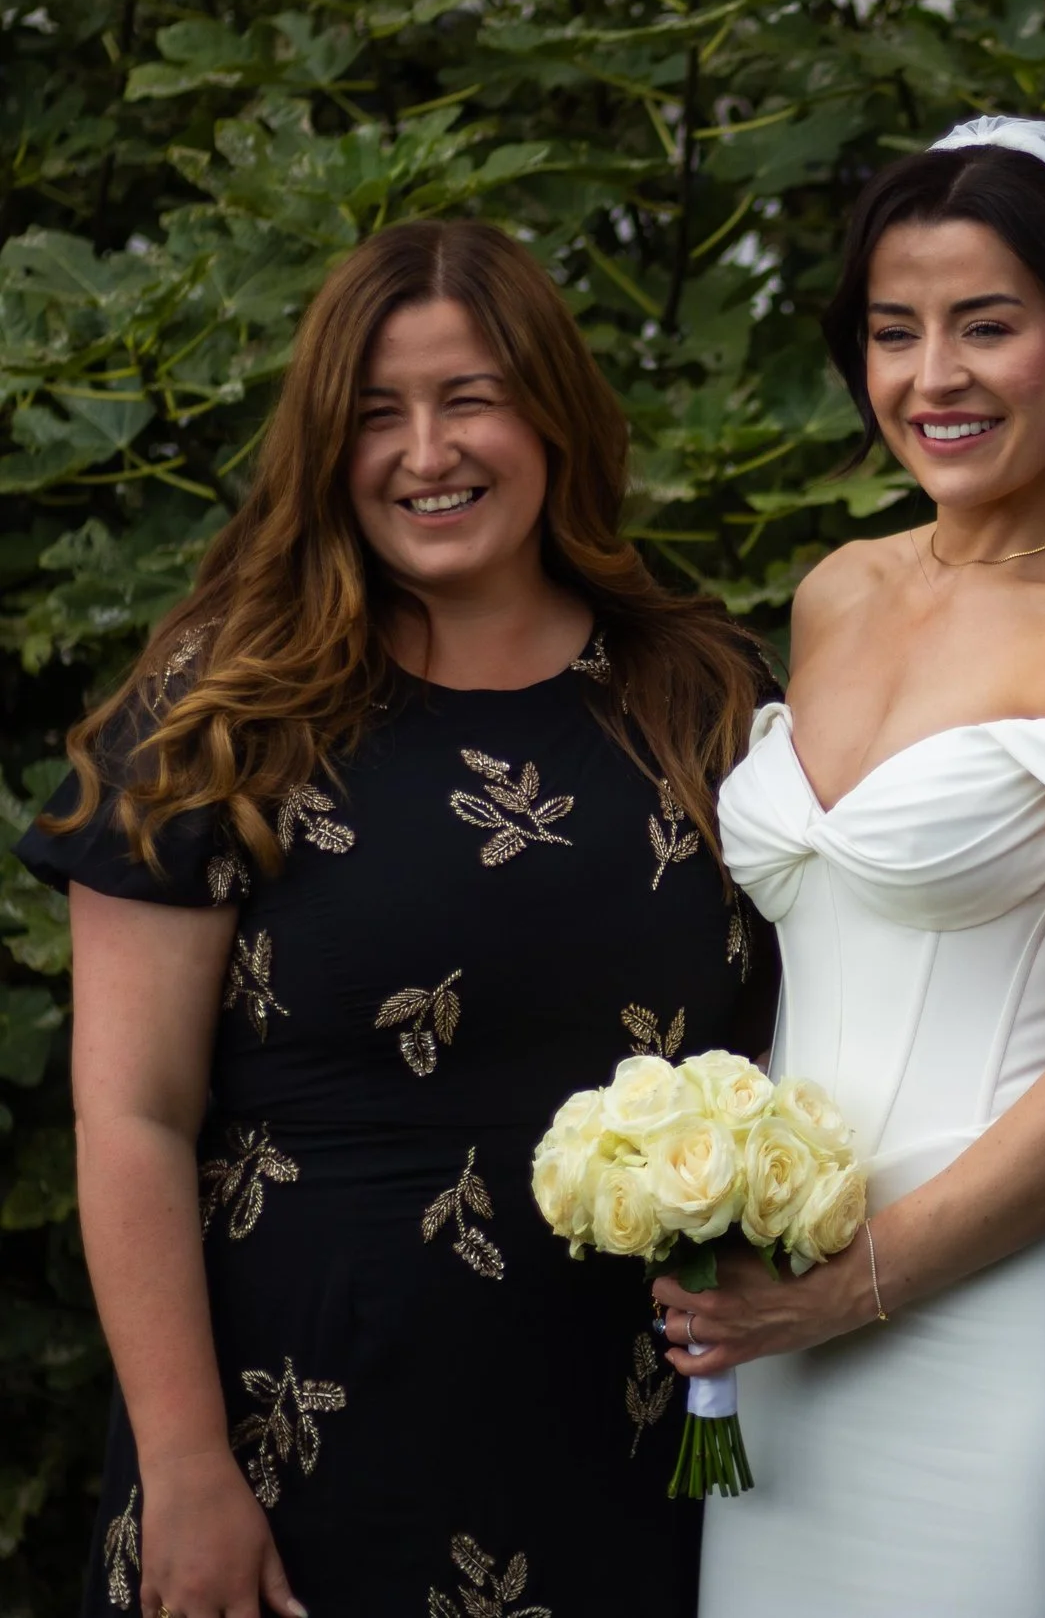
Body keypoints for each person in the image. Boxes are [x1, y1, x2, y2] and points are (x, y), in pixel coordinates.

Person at [19, 219, 775, 1618]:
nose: (427, 453)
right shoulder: (223, 710)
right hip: (287, 1457)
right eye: (378, 413)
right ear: (326, 443)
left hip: (625, 1446)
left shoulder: (701, 694)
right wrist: (185, 1465)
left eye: (470, 398)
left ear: (553, 415)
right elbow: (131, 1116)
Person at [650, 117, 1045, 1616]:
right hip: (785, 1338)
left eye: (987, 326)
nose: (934, 376)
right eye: (895, 332)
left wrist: (852, 1285)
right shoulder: (836, 593)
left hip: (1014, 1319)